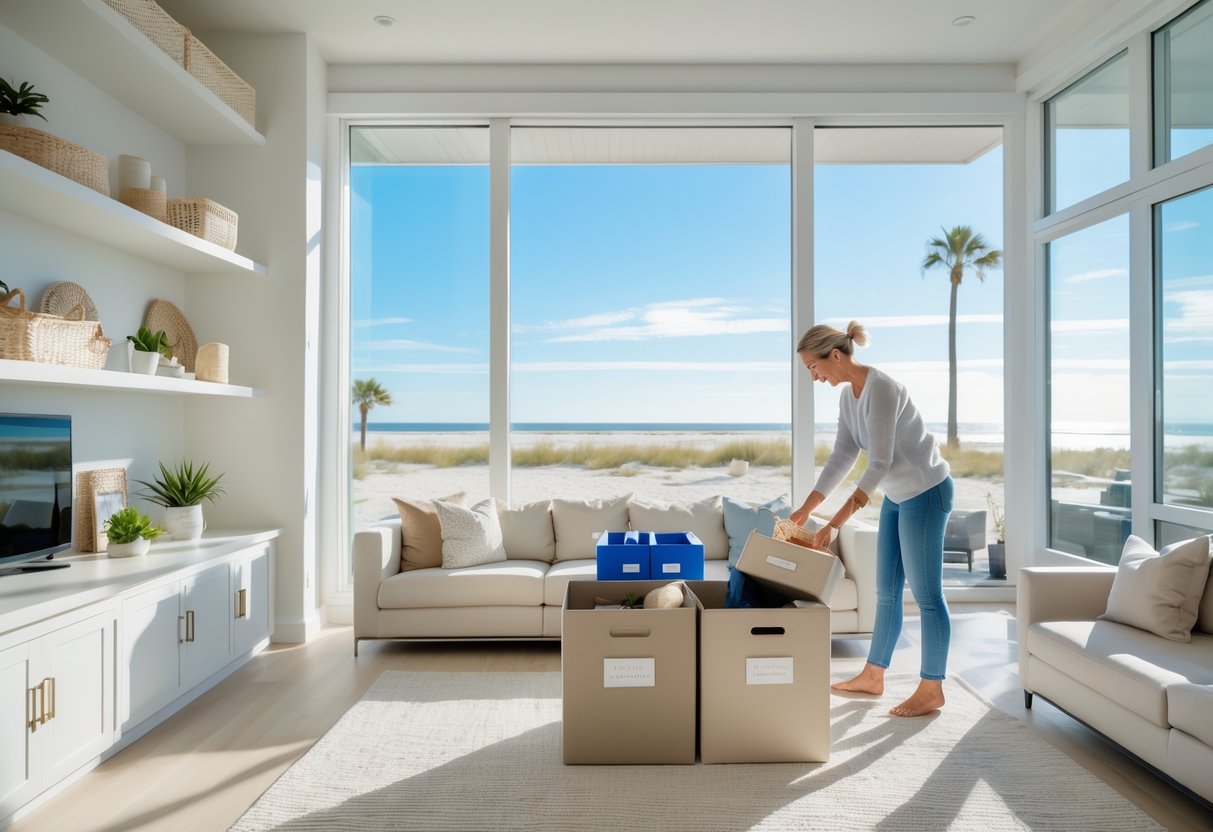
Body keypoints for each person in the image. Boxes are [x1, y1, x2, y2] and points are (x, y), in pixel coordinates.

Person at [789, 320, 954, 717]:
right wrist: (805, 510)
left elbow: (878, 463)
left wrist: (833, 524)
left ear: (835, 355)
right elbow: (842, 458)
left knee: (927, 596)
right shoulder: (848, 398)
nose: (814, 377)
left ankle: (931, 688)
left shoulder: (882, 388)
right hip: (897, 495)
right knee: (886, 592)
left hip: (926, 491)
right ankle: (873, 675)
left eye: (813, 367)